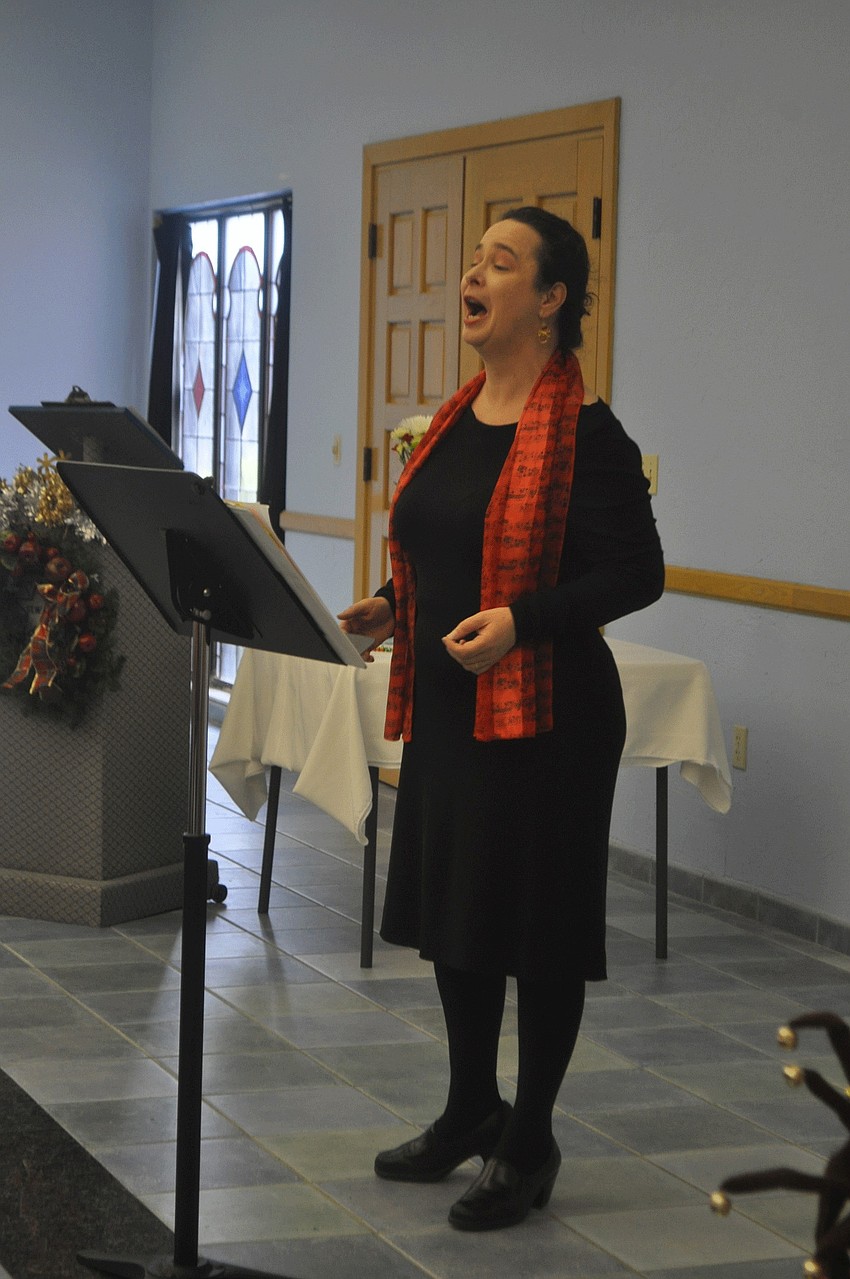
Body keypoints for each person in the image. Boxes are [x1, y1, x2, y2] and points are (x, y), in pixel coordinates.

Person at [339, 207, 664, 1232]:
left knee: (538, 926)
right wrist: (397, 605)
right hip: (448, 700)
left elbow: (636, 573)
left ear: (551, 298)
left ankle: (529, 1137)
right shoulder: (452, 417)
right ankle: (469, 1105)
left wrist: (524, 619)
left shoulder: (587, 433)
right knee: (459, 915)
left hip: (549, 715)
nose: (471, 273)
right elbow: (443, 544)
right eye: (473, 257)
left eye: (499, 260)